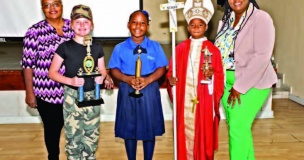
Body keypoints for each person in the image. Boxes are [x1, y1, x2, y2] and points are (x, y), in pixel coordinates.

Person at [48, 4, 113, 160]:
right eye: (77, 21)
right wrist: (70, 80)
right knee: (74, 139)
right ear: (71, 24)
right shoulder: (65, 47)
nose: (82, 25)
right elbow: (52, 73)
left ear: (92, 25)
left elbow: (102, 70)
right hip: (73, 98)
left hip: (93, 98)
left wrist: (102, 77)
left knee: (91, 138)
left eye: (86, 21)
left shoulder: (97, 48)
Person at [214, 0, 277, 159]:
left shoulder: (261, 18)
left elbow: (261, 57)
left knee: (237, 128)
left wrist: (239, 86)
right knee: (239, 128)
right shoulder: (226, 20)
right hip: (226, 82)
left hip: (252, 83)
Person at [166, 0, 224, 159]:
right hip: (184, 100)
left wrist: (212, 76)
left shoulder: (213, 51)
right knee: (184, 135)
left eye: (200, 25)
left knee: (203, 136)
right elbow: (172, 71)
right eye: (193, 24)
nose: (196, 28)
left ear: (206, 26)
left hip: (204, 102)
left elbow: (220, 76)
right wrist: (172, 82)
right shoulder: (179, 49)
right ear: (187, 27)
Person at [108, 10, 168, 160]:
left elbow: (161, 68)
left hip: (149, 88)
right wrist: (126, 79)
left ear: (148, 26)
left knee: (149, 128)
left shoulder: (155, 47)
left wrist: (148, 80)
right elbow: (114, 69)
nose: (138, 26)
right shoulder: (119, 48)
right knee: (129, 128)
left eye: (142, 23)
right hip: (127, 88)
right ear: (128, 24)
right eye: (134, 22)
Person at [21, 0, 74, 159]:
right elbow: (27, 64)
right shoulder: (34, 32)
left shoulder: (74, 27)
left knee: (75, 130)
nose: (52, 8)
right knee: (52, 130)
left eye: (55, 3)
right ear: (42, 8)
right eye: (47, 5)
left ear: (62, 6)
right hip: (46, 93)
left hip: (73, 91)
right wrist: (30, 92)